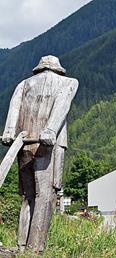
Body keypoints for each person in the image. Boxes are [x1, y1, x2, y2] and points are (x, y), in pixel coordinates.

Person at [1, 55, 78, 252]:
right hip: (49, 146)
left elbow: (14, 109)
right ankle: (34, 249)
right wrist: (51, 130)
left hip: (24, 143)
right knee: (45, 196)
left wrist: (9, 132)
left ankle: (21, 246)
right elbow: (62, 106)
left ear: (40, 67)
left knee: (28, 196)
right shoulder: (68, 82)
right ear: (58, 68)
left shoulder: (23, 84)